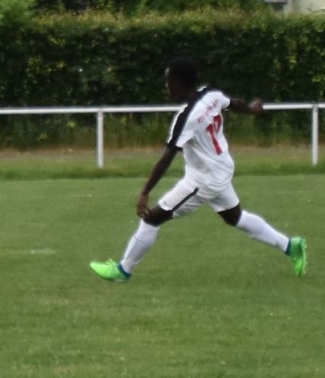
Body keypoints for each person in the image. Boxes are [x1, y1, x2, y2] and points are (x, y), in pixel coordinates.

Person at [89, 58, 307, 282]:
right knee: (235, 217)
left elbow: (166, 159)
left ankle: (123, 271)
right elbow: (234, 103)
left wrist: (145, 192)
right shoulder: (211, 94)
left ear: (178, 82)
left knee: (151, 219)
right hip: (221, 170)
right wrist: (252, 110)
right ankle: (290, 246)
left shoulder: (186, 118)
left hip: (203, 181)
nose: (167, 86)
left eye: (168, 81)